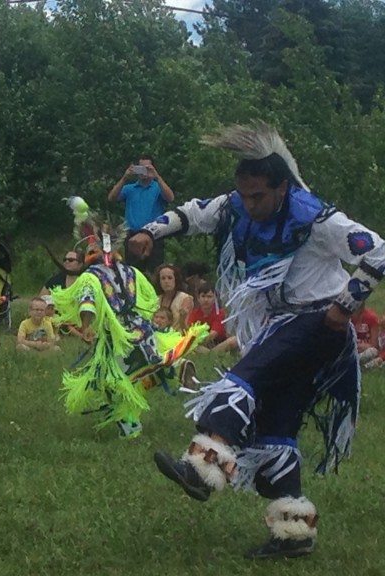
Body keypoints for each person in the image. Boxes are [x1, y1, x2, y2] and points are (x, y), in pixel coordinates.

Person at [128, 122, 385, 559]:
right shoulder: (238, 207)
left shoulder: (315, 217)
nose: (250, 205)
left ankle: (201, 467)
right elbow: (194, 212)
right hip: (284, 325)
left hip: (317, 324)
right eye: (244, 196)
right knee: (276, 426)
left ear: (282, 188)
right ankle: (294, 533)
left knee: (245, 376)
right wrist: (149, 232)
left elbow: (377, 251)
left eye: (259, 197)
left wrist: (344, 306)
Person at [52, 198, 207, 438]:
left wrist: (85, 327)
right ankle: (173, 368)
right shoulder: (131, 272)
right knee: (146, 365)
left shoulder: (91, 276)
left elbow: (87, 302)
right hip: (141, 329)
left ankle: (131, 425)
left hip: (117, 338)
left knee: (115, 382)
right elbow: (149, 300)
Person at [108, 154, 174, 271]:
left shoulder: (157, 188)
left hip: (154, 236)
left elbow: (170, 198)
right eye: (141, 168)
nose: (144, 171)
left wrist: (157, 177)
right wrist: (124, 178)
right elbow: (112, 198)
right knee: (133, 271)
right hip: (133, 236)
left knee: (155, 271)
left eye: (147, 168)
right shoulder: (130, 188)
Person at [186, 282, 238, 354]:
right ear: (198, 298)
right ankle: (210, 354)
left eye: (209, 296)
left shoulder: (219, 313)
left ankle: (210, 354)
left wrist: (196, 341)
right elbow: (188, 330)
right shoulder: (194, 313)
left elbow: (212, 335)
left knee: (233, 340)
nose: (206, 300)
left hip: (218, 344)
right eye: (203, 296)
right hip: (200, 345)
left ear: (214, 298)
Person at [152, 264, 194, 332]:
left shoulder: (185, 298)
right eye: (163, 278)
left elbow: (187, 330)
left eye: (170, 278)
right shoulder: (156, 299)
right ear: (159, 282)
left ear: (176, 280)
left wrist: (182, 319)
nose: (166, 281)